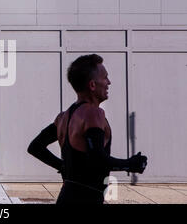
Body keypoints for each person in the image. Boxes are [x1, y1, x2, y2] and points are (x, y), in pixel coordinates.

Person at [27, 54, 148, 204]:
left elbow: (35, 147)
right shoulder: (94, 113)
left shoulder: (63, 117)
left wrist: (63, 166)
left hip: (66, 196)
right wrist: (130, 164)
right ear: (92, 85)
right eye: (105, 78)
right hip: (86, 199)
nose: (109, 82)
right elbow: (97, 159)